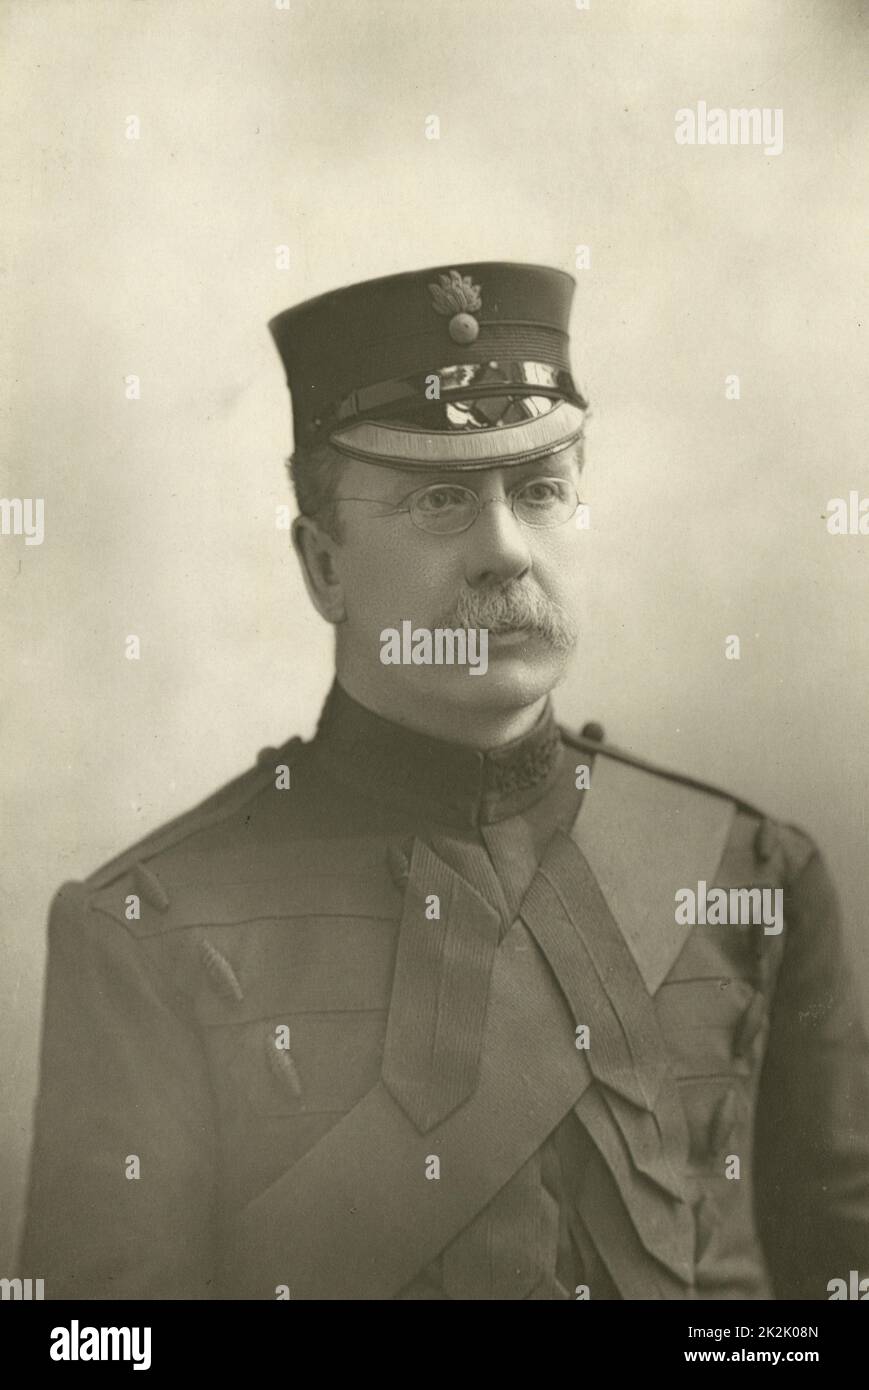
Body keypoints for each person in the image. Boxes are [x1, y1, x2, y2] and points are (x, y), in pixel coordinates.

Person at [20, 262, 869, 1299]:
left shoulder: (753, 876)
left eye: (540, 490)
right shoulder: (152, 933)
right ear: (322, 563)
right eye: (438, 500)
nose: (505, 550)